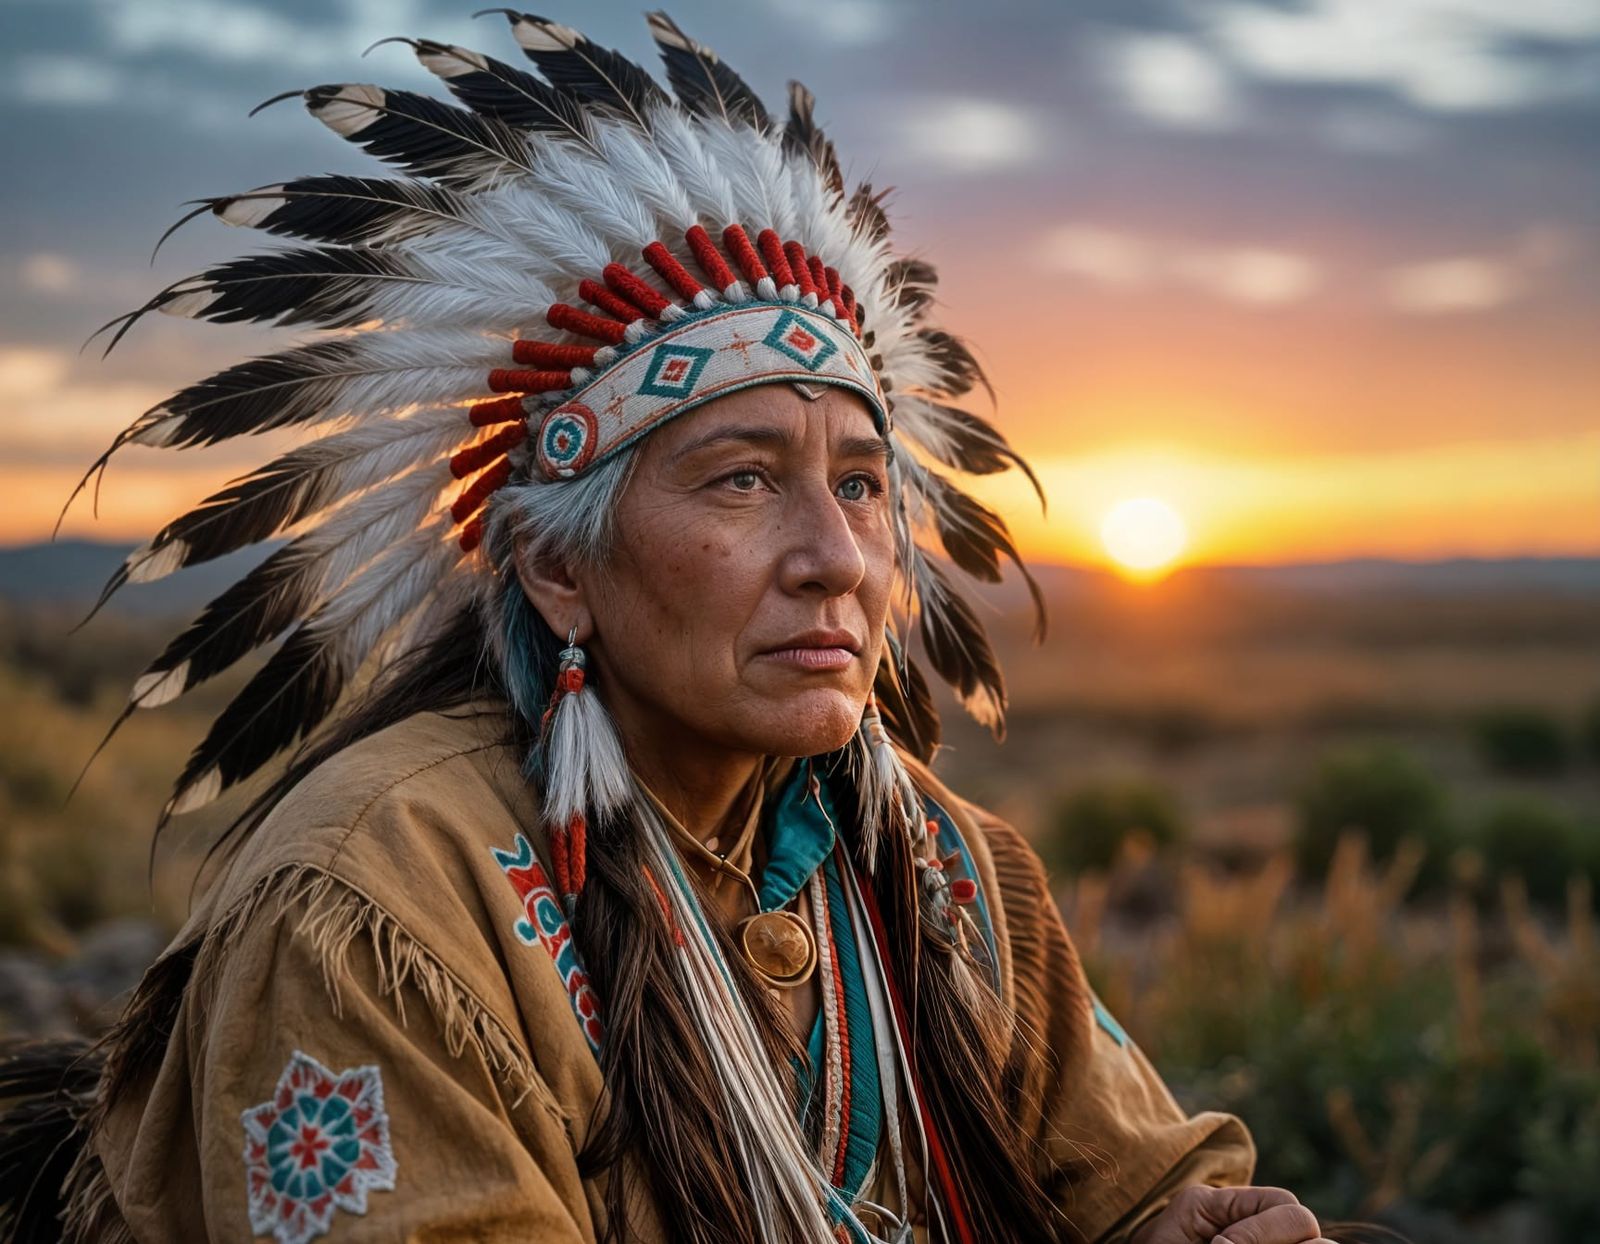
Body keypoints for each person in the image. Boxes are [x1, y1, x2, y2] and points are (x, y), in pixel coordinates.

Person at [0, 13, 1338, 1244]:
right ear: (554, 566)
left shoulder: (939, 866)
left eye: (862, 486)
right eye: (743, 479)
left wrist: (1193, 1227)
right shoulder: (375, 907)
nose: (836, 560)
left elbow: (1142, 1182)